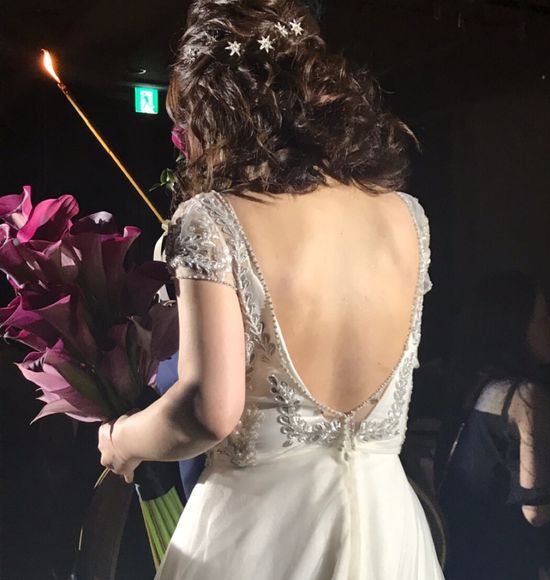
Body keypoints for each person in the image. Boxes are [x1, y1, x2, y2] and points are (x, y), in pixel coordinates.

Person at [98, 0, 443, 577]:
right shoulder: (407, 217)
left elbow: (209, 411)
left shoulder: (213, 219)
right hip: (390, 530)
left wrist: (123, 440)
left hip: (261, 535)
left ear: (217, 108)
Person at [438, 271, 550, 580]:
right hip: (506, 563)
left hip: (458, 560)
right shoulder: (526, 396)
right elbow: (536, 511)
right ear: (514, 328)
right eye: (543, 319)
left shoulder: (474, 385)